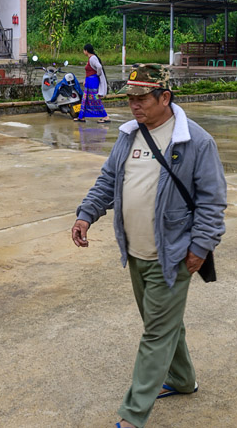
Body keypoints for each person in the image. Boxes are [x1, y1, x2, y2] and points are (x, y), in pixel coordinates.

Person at [71, 64, 226, 428]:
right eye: (129, 97)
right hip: (136, 253)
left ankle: (133, 414)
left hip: (173, 255)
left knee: (156, 333)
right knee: (164, 323)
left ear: (165, 98)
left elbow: (212, 202)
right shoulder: (128, 135)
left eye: (141, 98)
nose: (133, 105)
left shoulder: (196, 142)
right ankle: (183, 380)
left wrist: (200, 246)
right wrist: (85, 215)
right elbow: (109, 179)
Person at [77, 43, 110, 123]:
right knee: (86, 99)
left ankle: (105, 116)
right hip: (90, 82)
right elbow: (90, 71)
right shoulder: (91, 58)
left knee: (95, 99)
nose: (83, 52)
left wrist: (97, 74)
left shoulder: (92, 58)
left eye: (84, 50)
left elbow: (99, 67)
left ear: (86, 51)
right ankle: (82, 117)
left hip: (93, 82)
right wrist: (86, 80)